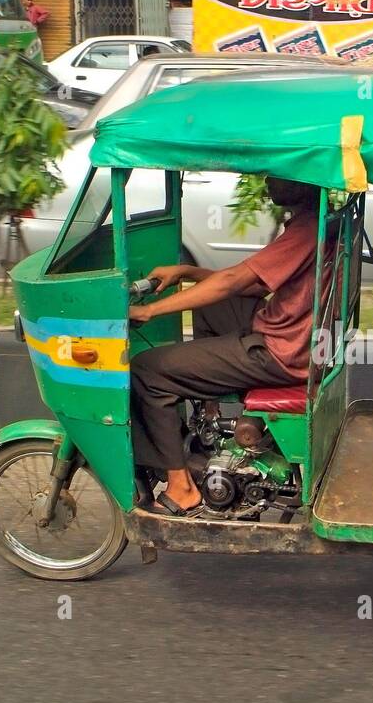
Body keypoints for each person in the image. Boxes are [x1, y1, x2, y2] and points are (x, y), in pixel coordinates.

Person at [127, 178, 324, 517]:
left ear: (303, 179)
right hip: (294, 335)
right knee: (208, 302)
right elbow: (251, 282)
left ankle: (182, 488)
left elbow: (234, 281)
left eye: (277, 173)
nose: (267, 180)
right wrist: (188, 273)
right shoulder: (317, 222)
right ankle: (209, 416)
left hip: (281, 352)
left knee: (146, 371)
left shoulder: (306, 231)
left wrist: (149, 310)